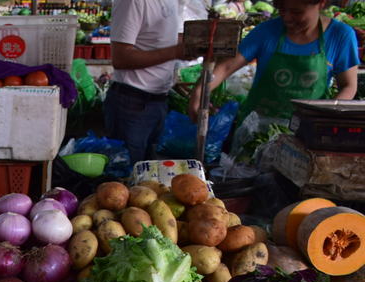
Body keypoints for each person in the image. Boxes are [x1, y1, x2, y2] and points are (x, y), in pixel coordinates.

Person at [188, 0, 359, 124]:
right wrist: (199, 91)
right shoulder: (267, 31)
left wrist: (326, 118)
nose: (287, 18)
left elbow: (348, 85)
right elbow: (225, 67)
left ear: (321, 4)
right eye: (282, 9)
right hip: (255, 128)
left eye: (297, 12)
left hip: (304, 130)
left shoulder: (340, 36)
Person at [105, 0, 185, 165]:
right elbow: (121, 58)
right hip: (132, 103)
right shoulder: (133, 2)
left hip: (158, 101)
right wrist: (176, 52)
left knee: (149, 176)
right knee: (126, 176)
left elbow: (165, 38)